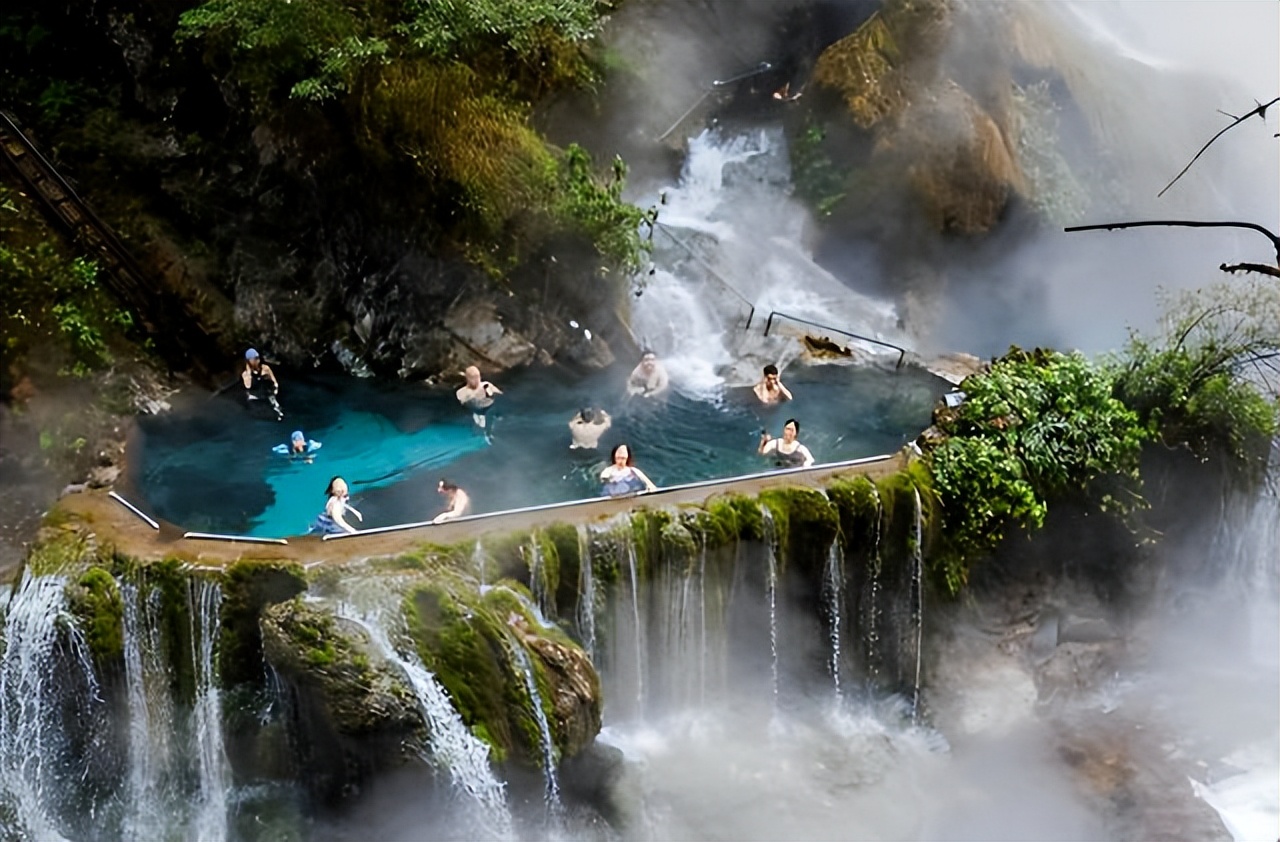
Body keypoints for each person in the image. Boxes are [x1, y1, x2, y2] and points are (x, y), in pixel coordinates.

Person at [455, 365, 502, 433]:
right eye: (473, 378)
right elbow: (467, 405)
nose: (477, 380)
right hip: (478, 415)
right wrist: (476, 395)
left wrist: (493, 393)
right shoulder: (461, 392)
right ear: (467, 378)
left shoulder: (486, 385)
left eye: (478, 376)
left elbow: (501, 396)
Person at [242, 348, 283, 420]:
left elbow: (274, 381)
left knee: (279, 416)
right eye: (255, 359)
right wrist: (249, 373)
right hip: (257, 400)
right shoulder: (245, 375)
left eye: (257, 358)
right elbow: (248, 386)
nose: (257, 360)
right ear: (249, 361)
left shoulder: (265, 368)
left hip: (268, 395)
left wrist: (275, 389)